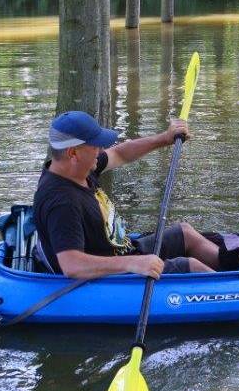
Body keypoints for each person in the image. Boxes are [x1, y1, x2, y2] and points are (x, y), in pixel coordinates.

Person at [32, 110, 221, 280]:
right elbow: (72, 265)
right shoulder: (62, 201)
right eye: (95, 146)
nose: (100, 151)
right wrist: (133, 263)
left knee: (185, 233)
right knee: (191, 266)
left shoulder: (77, 168)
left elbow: (120, 153)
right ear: (73, 152)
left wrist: (165, 138)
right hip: (113, 276)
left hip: (124, 250)